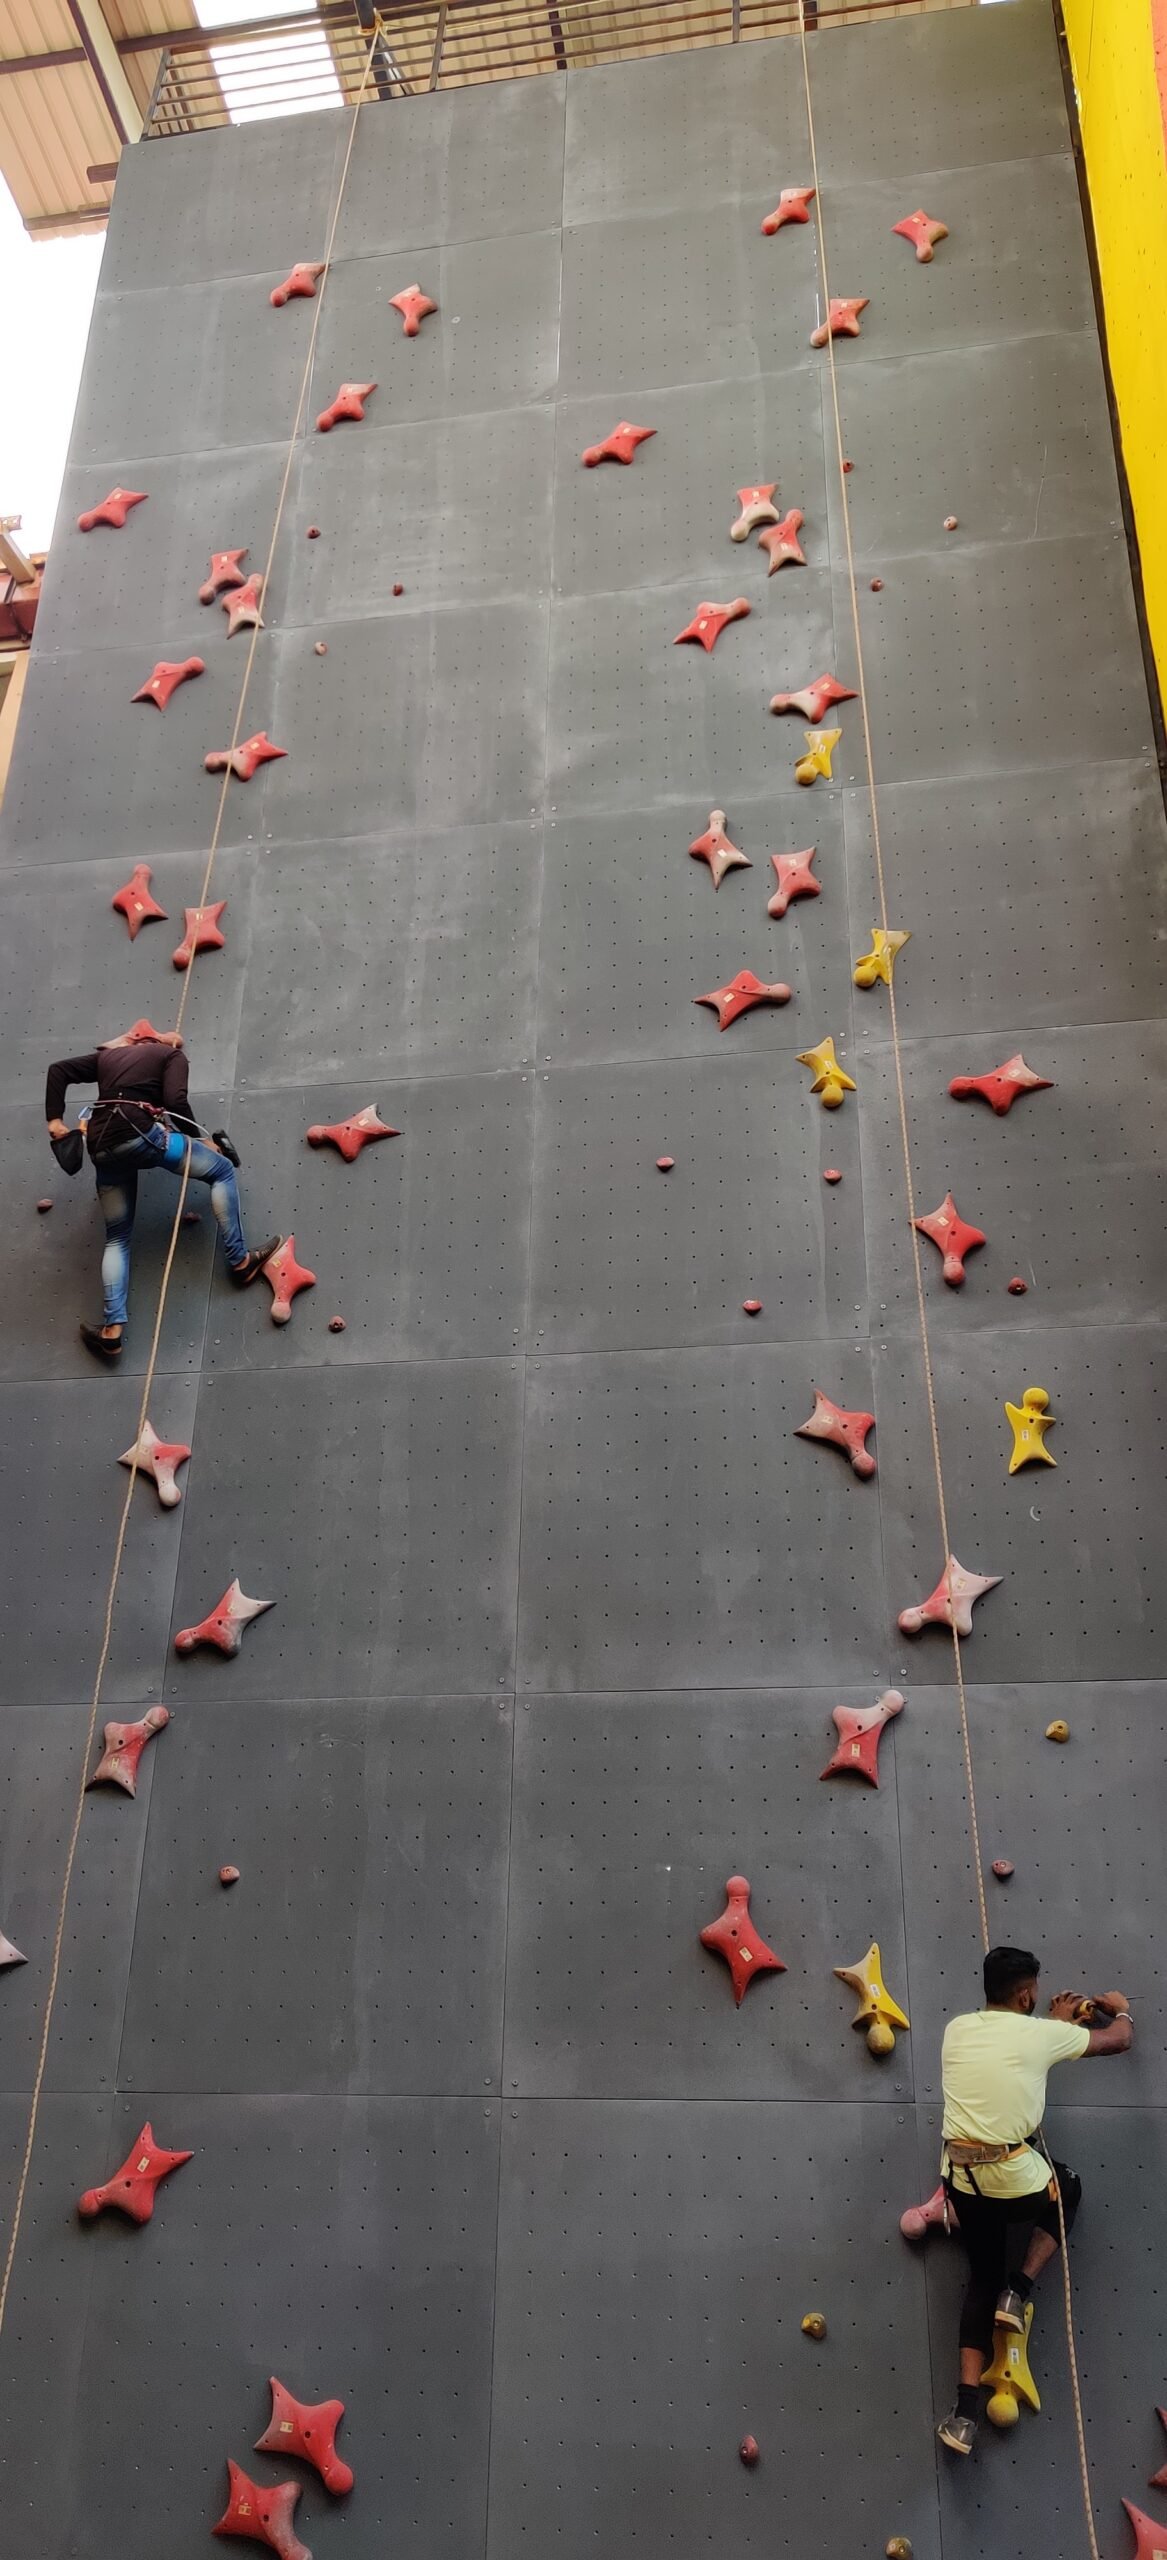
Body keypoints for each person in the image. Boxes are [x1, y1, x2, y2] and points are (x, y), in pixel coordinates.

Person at [936, 1944, 1133, 2455]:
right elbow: (1118, 2040)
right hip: (1015, 2188)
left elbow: (1016, 2044)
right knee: (1065, 2187)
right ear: (1026, 1994)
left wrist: (1047, 2025)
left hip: (963, 2183)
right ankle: (1018, 2290)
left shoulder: (956, 2028)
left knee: (980, 2276)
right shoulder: (1044, 2034)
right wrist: (1119, 2007)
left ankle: (963, 2416)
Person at [45, 1026, 280, 1361]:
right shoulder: (170, 1055)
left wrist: (55, 1122)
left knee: (117, 1238)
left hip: (100, 1145)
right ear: (158, 1042)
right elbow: (176, 1101)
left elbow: (59, 1070)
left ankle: (112, 1331)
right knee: (221, 1171)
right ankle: (240, 1261)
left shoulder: (108, 1058)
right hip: (139, 1132)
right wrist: (203, 1143)